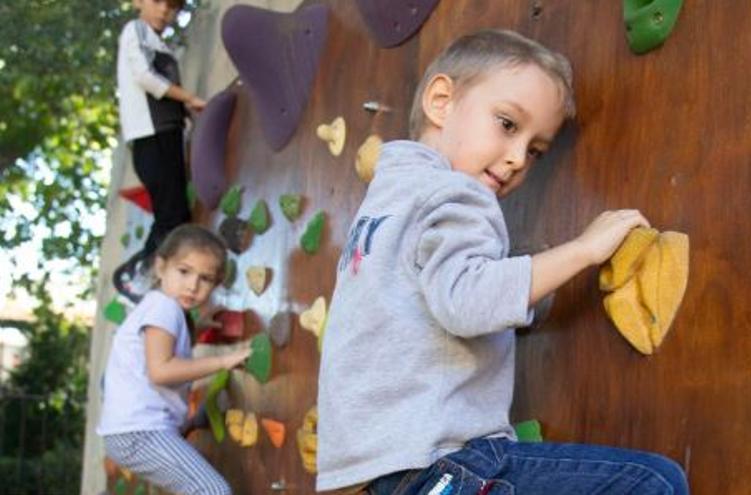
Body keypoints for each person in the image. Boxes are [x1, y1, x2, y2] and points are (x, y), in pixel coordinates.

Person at [316, 29, 689, 494]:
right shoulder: (457, 193)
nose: (516, 159)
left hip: (370, 475)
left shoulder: (385, 203)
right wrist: (583, 251)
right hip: (436, 463)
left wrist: (526, 296)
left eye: (535, 151)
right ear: (440, 100)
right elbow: (467, 302)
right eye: (508, 124)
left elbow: (433, 301)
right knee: (653, 483)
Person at [98, 224, 250, 495]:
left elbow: (160, 356)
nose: (192, 285)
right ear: (161, 267)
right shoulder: (164, 307)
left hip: (130, 431)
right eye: (184, 271)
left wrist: (199, 327)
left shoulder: (160, 307)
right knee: (212, 491)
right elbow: (161, 371)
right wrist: (224, 361)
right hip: (140, 431)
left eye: (205, 279)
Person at [113, 0, 207, 303]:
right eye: (158, 2)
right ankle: (135, 277)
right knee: (171, 216)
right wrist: (190, 98)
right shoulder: (135, 30)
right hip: (150, 137)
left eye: (172, 7)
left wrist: (186, 112)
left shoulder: (160, 44)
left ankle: (142, 274)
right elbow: (145, 77)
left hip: (168, 134)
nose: (165, 11)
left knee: (175, 214)